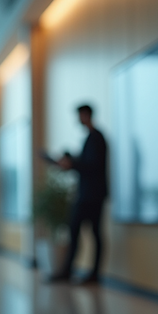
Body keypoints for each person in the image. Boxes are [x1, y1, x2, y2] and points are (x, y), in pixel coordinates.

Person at [45, 104, 108, 284]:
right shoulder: (90, 138)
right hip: (86, 193)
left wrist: (72, 163)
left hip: (92, 195)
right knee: (78, 231)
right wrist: (69, 162)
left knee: (92, 232)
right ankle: (70, 271)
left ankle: (92, 274)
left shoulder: (97, 137)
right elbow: (86, 164)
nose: (78, 120)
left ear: (86, 115)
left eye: (80, 116)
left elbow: (93, 166)